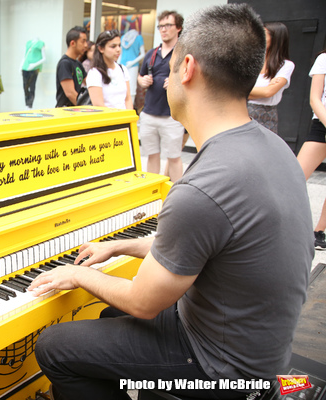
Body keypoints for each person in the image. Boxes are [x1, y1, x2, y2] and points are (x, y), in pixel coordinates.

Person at [31, 4, 313, 400]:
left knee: (55, 346)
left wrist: (77, 275)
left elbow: (143, 302)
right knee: (110, 316)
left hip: (223, 369)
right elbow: (205, 242)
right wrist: (120, 244)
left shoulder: (204, 186)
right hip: (259, 352)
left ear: (188, 69)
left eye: (171, 67)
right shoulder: (273, 147)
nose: (162, 82)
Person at [137, 11, 185, 182]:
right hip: (149, 113)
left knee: (174, 157)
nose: (163, 30)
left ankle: (177, 192)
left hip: (172, 116)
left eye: (168, 26)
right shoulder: (152, 53)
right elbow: (140, 76)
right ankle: (152, 190)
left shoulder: (183, 54)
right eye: (161, 26)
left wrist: (176, 83)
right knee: (152, 156)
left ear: (178, 28)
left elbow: (193, 81)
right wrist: (143, 81)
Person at [296, 49, 326, 249]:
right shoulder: (323, 59)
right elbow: (315, 99)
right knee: (293, 176)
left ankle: (319, 232)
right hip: (322, 125)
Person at [247, 22, 295, 134]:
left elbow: (268, 92)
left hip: (267, 114)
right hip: (243, 111)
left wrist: (244, 92)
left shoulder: (286, 65)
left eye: (264, 34)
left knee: (263, 149)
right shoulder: (251, 62)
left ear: (276, 38)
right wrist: (260, 91)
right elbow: (234, 90)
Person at [87, 30, 132, 110]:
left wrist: (129, 118)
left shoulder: (123, 69)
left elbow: (128, 99)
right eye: (113, 46)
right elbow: (99, 106)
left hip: (124, 119)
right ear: (101, 49)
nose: (118, 49)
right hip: (107, 120)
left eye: (119, 45)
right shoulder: (95, 73)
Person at [56, 26, 88, 107]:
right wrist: (85, 108)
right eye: (83, 41)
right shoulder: (65, 63)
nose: (86, 45)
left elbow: (89, 82)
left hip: (75, 110)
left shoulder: (78, 64)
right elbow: (70, 93)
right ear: (72, 43)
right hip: (65, 112)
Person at [120, 28, 145, 98]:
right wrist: (118, 64)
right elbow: (120, 54)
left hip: (133, 66)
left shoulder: (139, 38)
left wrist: (132, 62)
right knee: (121, 86)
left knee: (132, 88)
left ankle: (130, 106)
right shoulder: (123, 38)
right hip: (122, 65)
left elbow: (143, 54)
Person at [21, 38, 46, 109]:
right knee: (25, 86)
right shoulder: (28, 43)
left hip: (34, 69)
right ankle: (26, 104)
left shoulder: (41, 44)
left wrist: (34, 65)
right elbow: (24, 56)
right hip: (25, 67)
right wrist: (21, 66)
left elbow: (44, 58)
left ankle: (30, 105)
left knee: (32, 87)